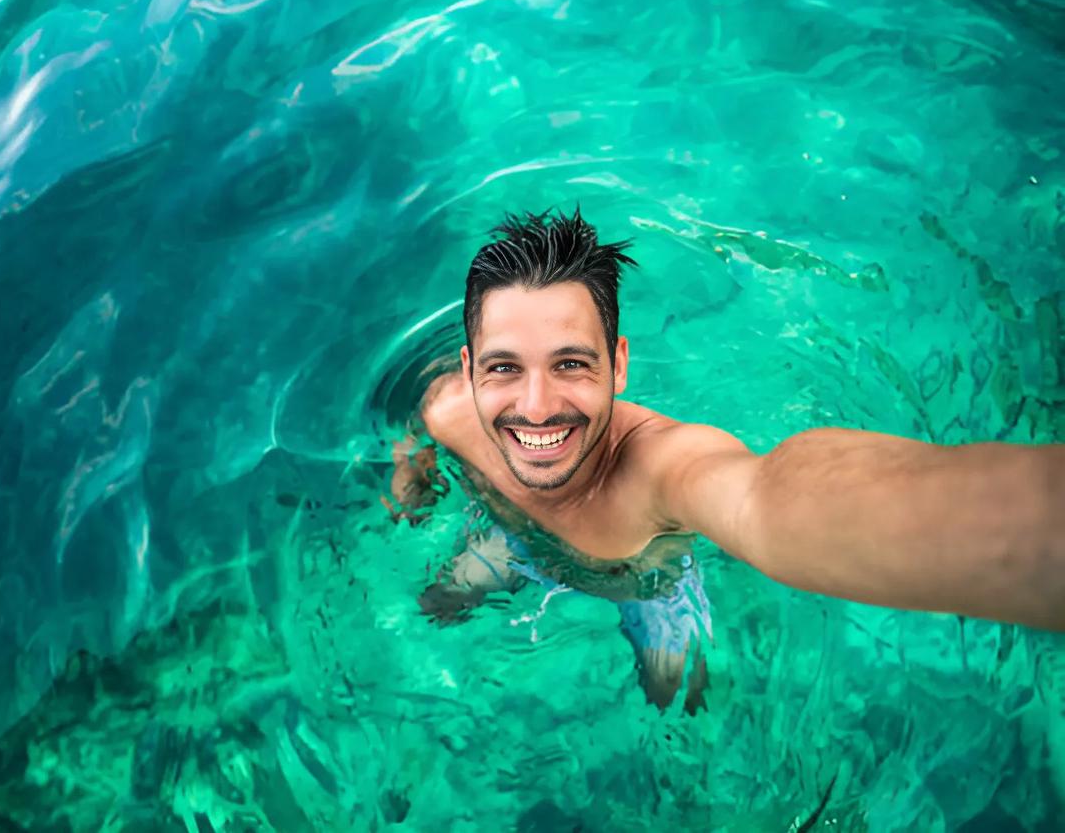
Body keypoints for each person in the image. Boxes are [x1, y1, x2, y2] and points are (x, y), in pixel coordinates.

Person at [384, 207, 1065, 711]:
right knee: (435, 606)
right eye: (505, 368)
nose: (536, 407)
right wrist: (410, 482)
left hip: (640, 583)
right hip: (514, 539)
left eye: (571, 363)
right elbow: (415, 428)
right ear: (470, 370)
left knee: (680, 702)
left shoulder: (664, 467)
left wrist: (1027, 535)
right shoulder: (448, 412)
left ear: (619, 366)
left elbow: (763, 499)